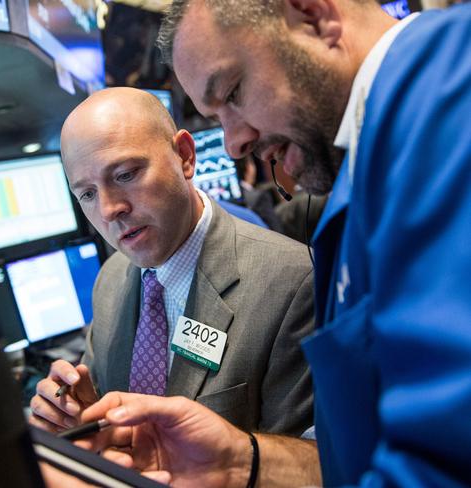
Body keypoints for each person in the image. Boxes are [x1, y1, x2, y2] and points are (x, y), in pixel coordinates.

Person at [77, 0, 471, 486]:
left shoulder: (451, 95)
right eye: (215, 114)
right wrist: (243, 463)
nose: (234, 143)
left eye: (233, 92)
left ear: (312, 14)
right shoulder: (364, 171)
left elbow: (445, 454)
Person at [30, 87, 316, 438]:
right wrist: (80, 419)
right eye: (87, 194)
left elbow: (305, 466)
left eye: (125, 175)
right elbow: (104, 415)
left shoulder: (293, 283)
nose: (108, 209)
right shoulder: (110, 280)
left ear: (184, 155)